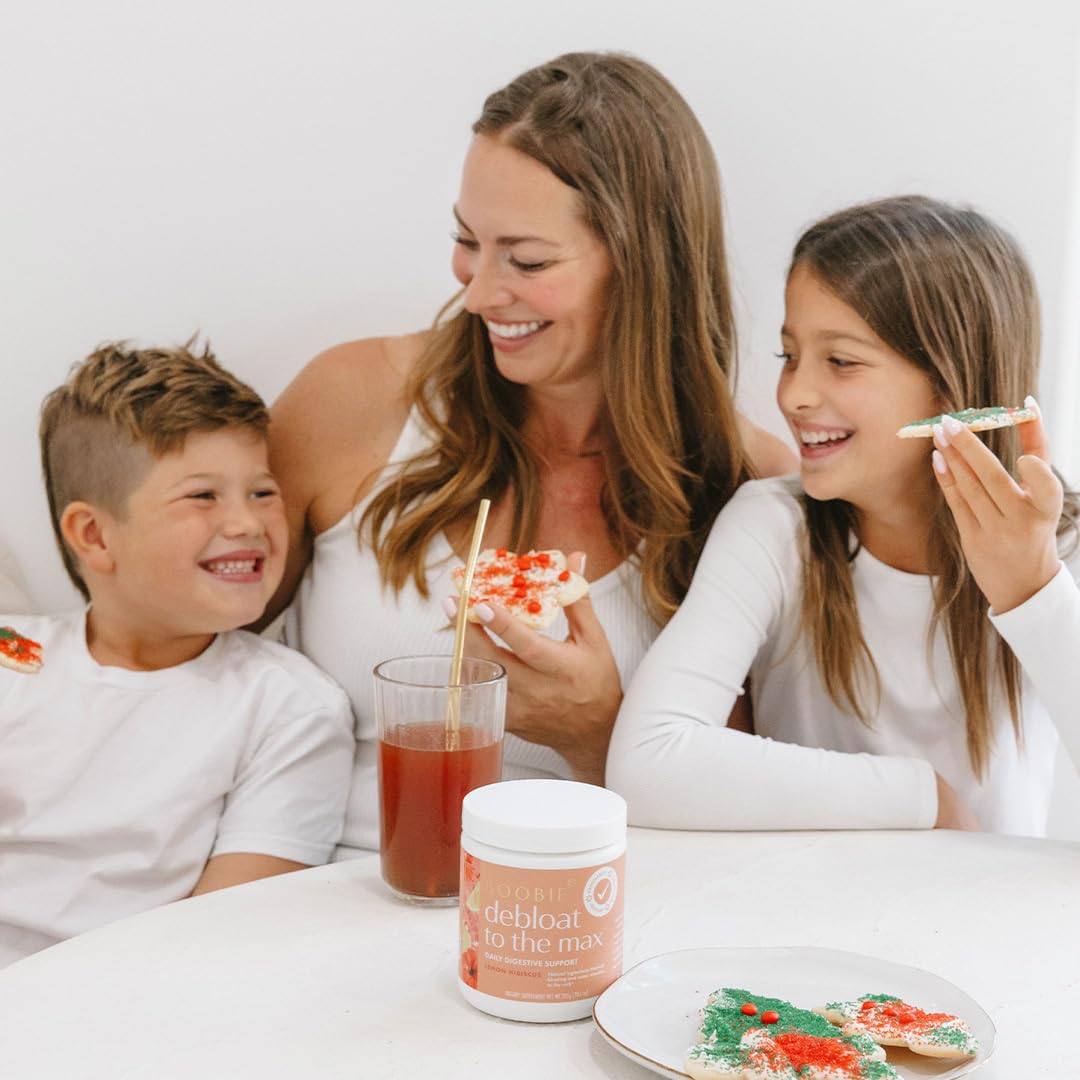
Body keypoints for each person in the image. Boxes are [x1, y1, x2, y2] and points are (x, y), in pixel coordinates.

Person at [266, 51, 795, 853]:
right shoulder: (353, 400)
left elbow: (757, 833)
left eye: (528, 260)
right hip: (317, 888)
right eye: (466, 240)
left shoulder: (750, 491)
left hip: (577, 904)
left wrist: (598, 735)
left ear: (644, 266)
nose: (478, 292)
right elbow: (188, 655)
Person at [607, 195, 1080, 836]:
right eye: (789, 356)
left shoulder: (1063, 549)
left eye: (842, 361)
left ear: (952, 385)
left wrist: (1033, 593)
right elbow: (645, 762)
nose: (795, 395)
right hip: (810, 896)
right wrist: (921, 799)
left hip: (987, 904)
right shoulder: (773, 529)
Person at [0, 341, 354, 968]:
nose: (247, 523)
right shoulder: (14, 660)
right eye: (203, 496)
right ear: (94, 535)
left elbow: (221, 935)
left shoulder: (290, 709)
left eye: (262, 492)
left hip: (130, 998)